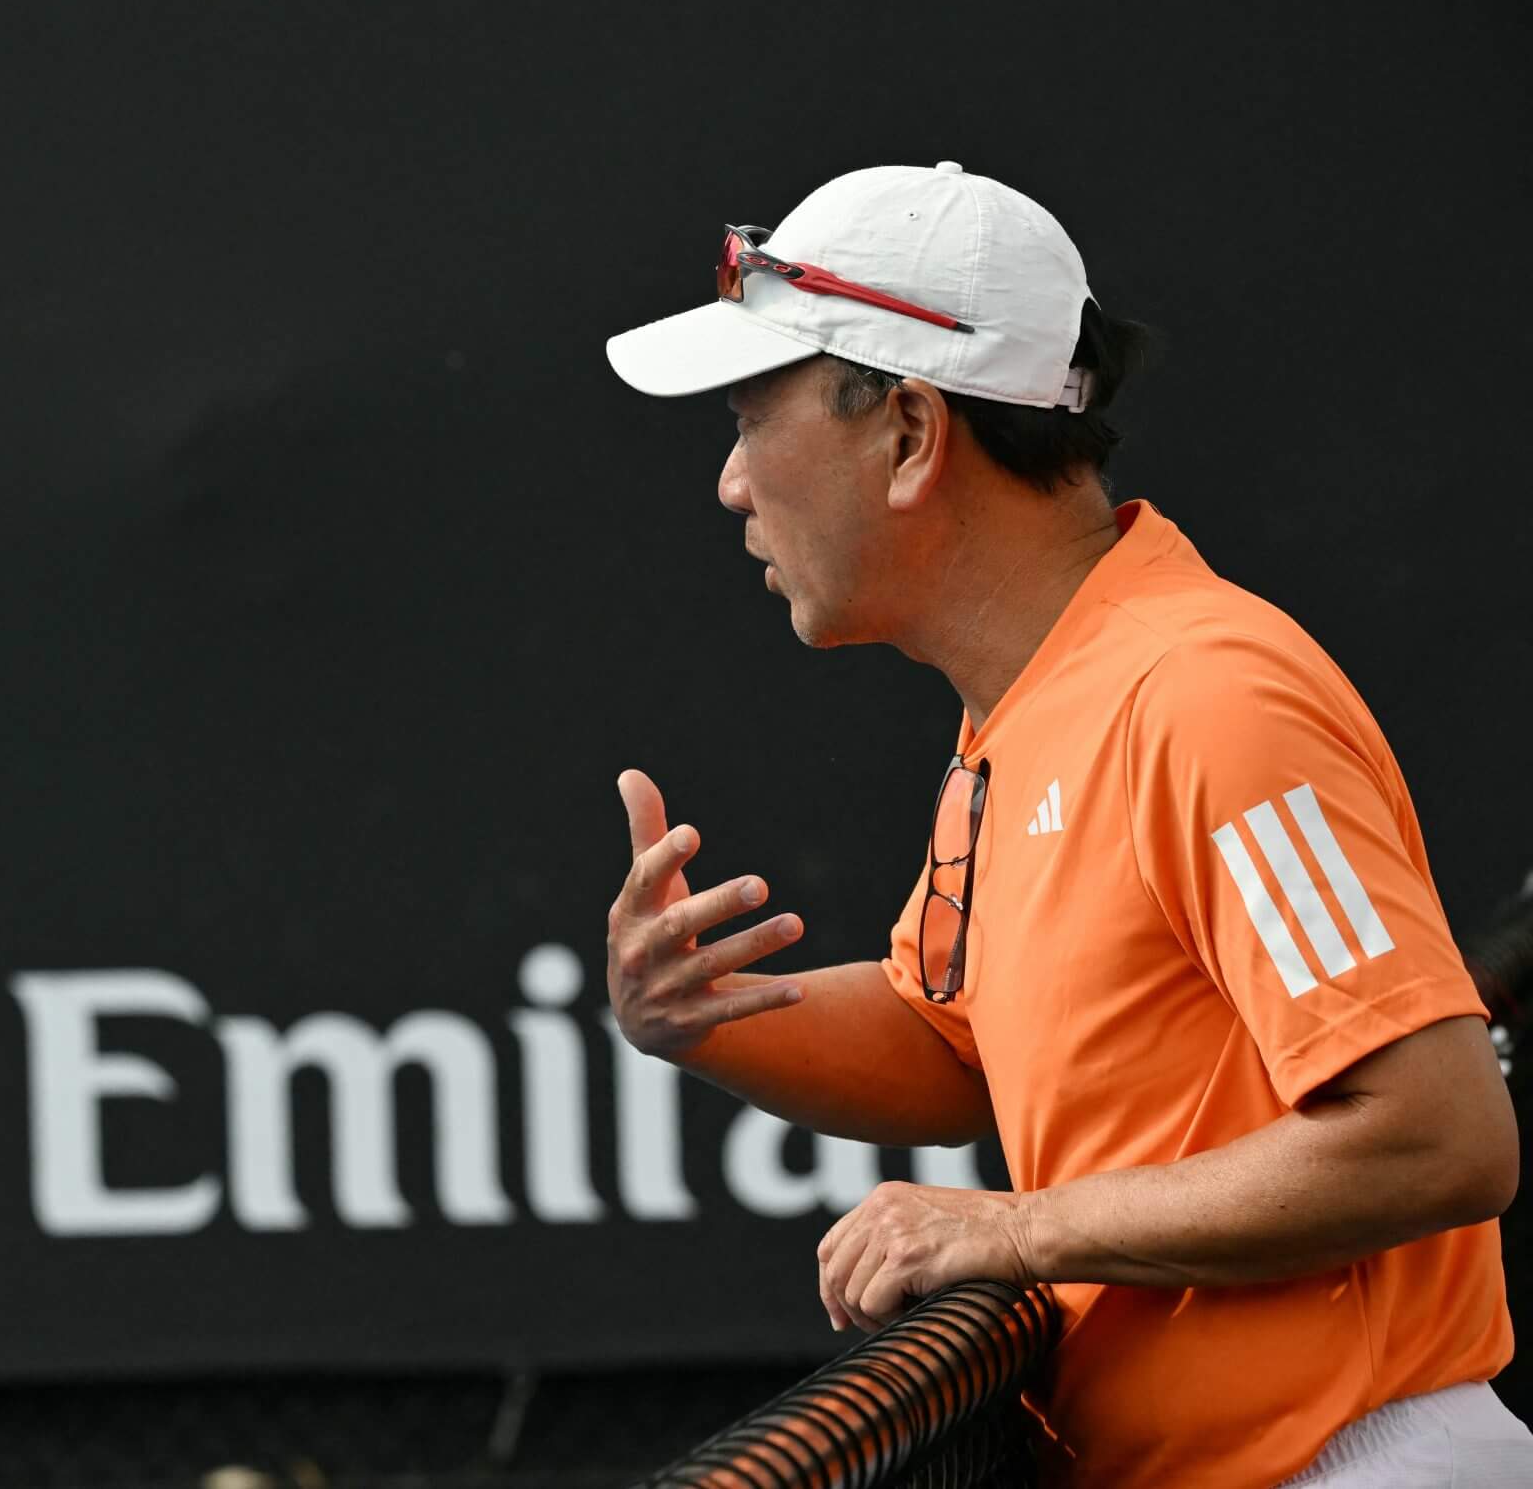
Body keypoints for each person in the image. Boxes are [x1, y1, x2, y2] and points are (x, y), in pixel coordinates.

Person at [599, 161, 1527, 1485]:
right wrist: (701, 1021)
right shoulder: (1042, 700)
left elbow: (1439, 1135)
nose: (733, 483)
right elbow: (958, 1046)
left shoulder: (1201, 693)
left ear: (912, 434)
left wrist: (1022, 1233)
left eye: (754, 413)